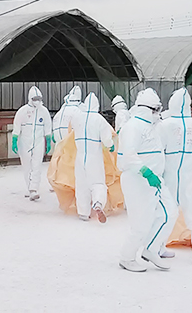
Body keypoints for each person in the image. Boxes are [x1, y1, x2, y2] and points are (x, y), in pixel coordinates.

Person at [117, 88, 177, 273]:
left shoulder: (152, 126)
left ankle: (151, 248)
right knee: (140, 223)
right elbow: (128, 156)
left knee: (169, 213)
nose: (158, 113)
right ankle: (126, 257)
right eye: (155, 109)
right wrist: (146, 172)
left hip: (155, 180)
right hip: (137, 180)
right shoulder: (132, 127)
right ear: (145, 109)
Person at [159, 88, 192, 265]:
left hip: (168, 177)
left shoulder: (163, 126)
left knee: (165, 213)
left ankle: (157, 248)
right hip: (190, 177)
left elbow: (157, 154)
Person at [69, 93, 115, 223]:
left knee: (81, 185)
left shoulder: (77, 117)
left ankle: (83, 212)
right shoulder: (99, 119)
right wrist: (111, 146)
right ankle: (98, 203)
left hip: (80, 156)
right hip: (94, 157)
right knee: (98, 183)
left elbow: (71, 129)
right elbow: (106, 138)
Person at [12, 86, 52, 201]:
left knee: (37, 165)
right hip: (25, 141)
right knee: (27, 166)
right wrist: (14, 140)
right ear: (30, 98)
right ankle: (29, 187)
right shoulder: (22, 111)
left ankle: (34, 189)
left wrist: (48, 141)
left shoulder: (44, 111)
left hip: (38, 141)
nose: (37, 101)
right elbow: (17, 126)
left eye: (39, 98)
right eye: (35, 98)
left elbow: (47, 127)